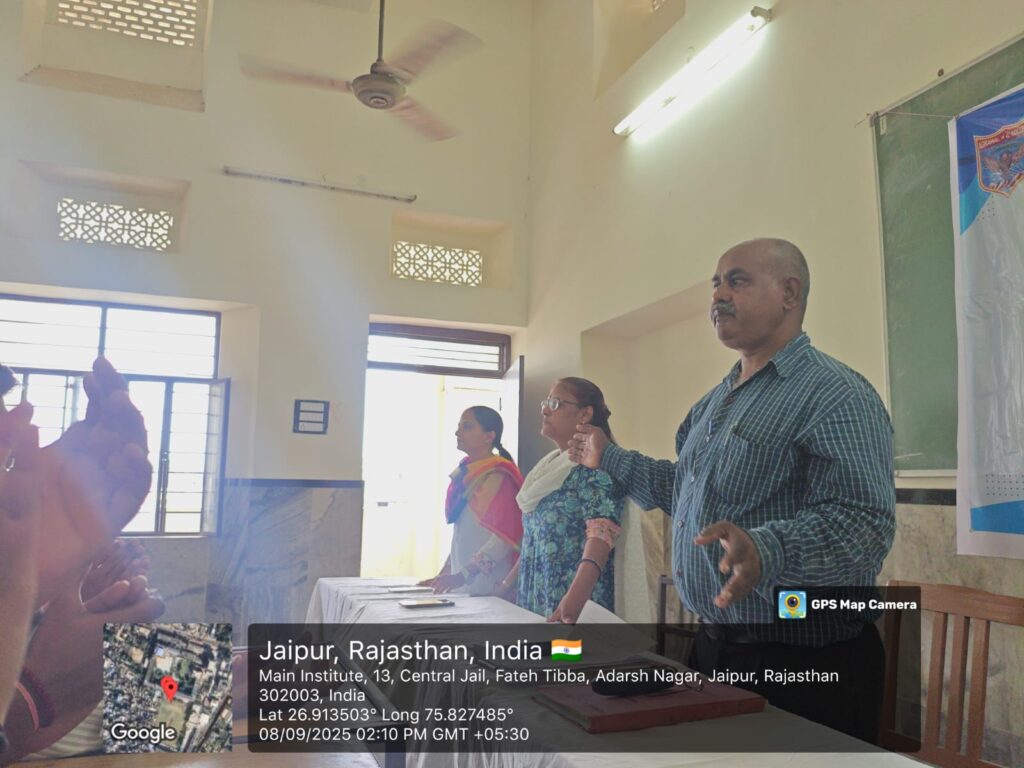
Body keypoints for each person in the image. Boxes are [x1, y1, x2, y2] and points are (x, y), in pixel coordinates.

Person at [570, 238, 896, 743]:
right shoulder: (711, 405)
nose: (719, 295)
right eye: (716, 284)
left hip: (805, 666)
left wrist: (769, 550)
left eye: (737, 281)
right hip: (715, 650)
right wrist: (608, 455)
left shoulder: (837, 394)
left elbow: (864, 524)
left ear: (790, 293)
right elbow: (684, 491)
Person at [515, 378, 623, 623]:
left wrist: (574, 600)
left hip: (573, 602)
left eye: (555, 403)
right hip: (536, 593)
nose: (545, 410)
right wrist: (505, 584)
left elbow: (601, 535)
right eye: (546, 402)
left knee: (565, 649)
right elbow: (534, 540)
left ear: (585, 414)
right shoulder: (546, 469)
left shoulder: (593, 468)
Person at [422, 407, 524, 596]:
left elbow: (504, 539)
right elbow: (463, 533)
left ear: (489, 436)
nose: (457, 433)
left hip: (487, 584)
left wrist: (465, 574)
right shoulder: (467, 471)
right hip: (462, 582)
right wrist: (445, 573)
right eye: (459, 426)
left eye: (467, 427)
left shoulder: (499, 475)